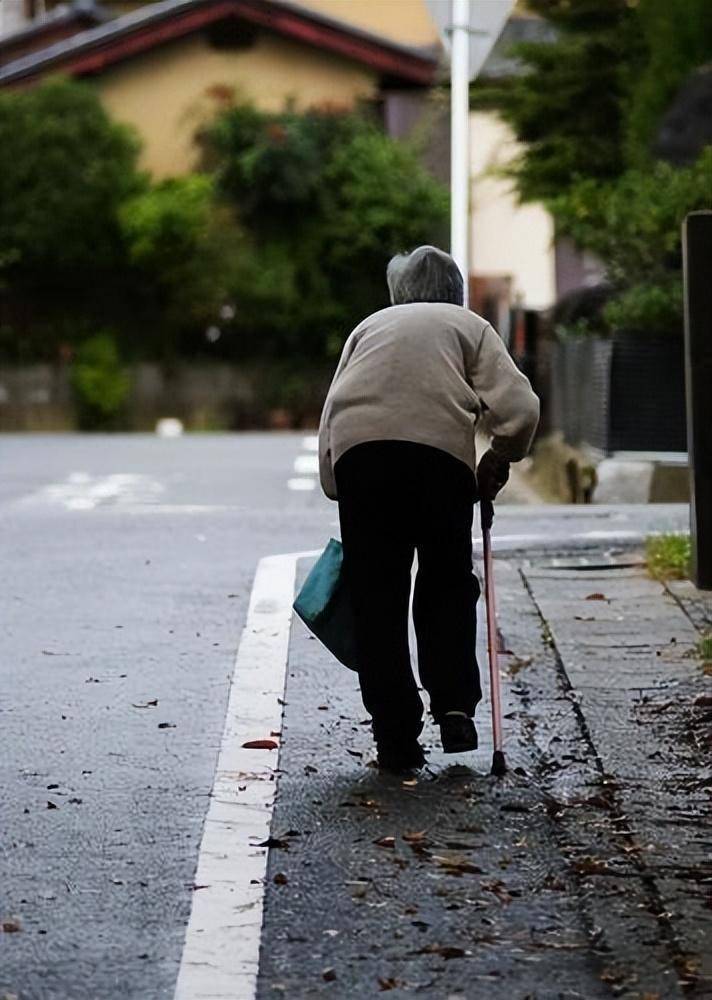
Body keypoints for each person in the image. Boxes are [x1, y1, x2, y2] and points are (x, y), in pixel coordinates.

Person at [318, 246, 539, 773]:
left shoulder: (368, 327)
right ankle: (455, 705)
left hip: (361, 458)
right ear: (456, 292)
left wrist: (337, 480)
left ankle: (395, 734)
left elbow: (332, 412)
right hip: (439, 460)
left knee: (377, 594)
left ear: (398, 295)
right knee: (445, 579)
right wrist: (499, 457)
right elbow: (521, 409)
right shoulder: (469, 325)